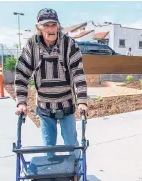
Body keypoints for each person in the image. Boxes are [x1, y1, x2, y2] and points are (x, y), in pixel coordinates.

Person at [14, 8, 88, 158]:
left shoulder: (69, 44)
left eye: (53, 24)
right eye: (46, 25)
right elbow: (22, 73)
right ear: (38, 27)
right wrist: (21, 102)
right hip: (44, 107)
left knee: (72, 146)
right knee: (48, 149)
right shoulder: (32, 45)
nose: (50, 29)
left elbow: (78, 74)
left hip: (66, 105)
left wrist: (82, 101)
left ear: (58, 26)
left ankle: (76, 176)